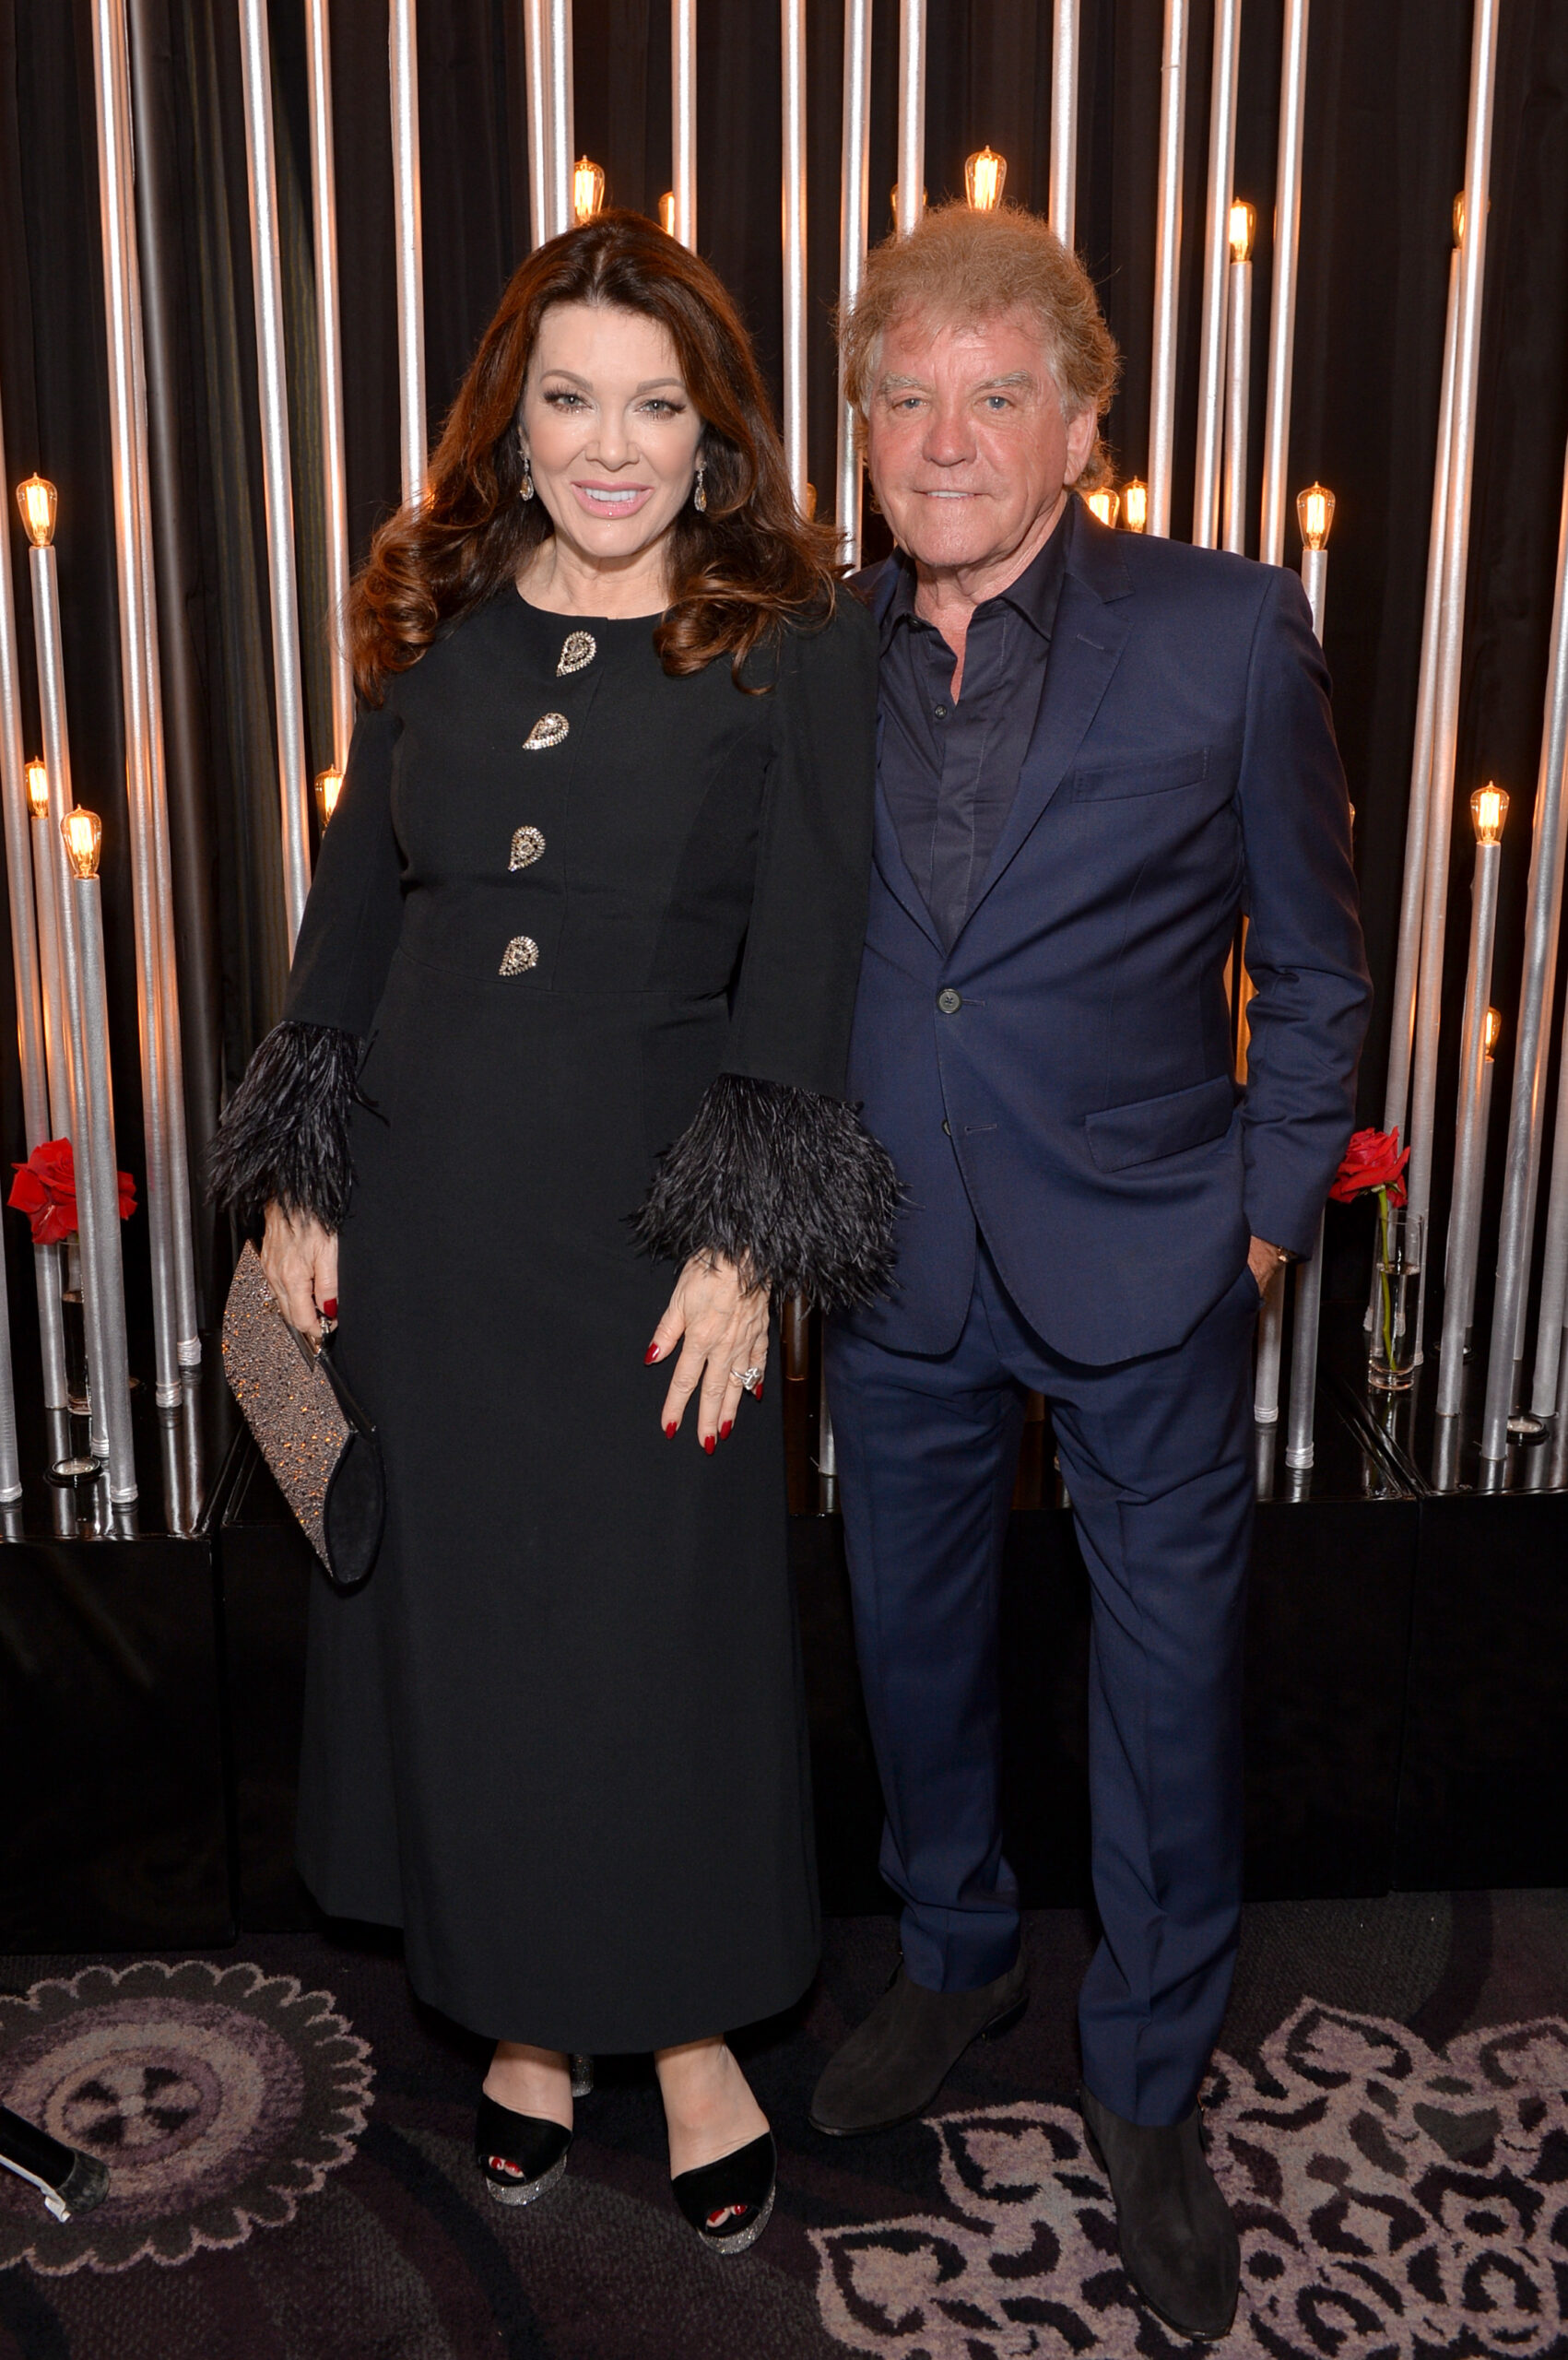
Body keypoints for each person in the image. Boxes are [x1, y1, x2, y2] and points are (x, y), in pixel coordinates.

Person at [211, 211, 895, 2255]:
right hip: (426, 1218)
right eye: (571, 400)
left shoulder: (787, 641)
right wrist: (298, 1171)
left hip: (645, 1229)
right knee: (475, 1631)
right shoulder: (433, 615)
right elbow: (351, 910)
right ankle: (520, 2021)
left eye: (654, 407)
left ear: (713, 432)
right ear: (512, 422)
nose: (611, 446)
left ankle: (685, 2033)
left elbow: (812, 950)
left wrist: (746, 1234)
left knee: (654, 1636)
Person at [809, 201, 1370, 2341]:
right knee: (910, 1658)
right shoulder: (804, 657)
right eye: (904, 396)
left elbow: (1314, 968)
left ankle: (1142, 2079)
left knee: (1160, 1693)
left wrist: (1256, 1216)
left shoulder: (1224, 632)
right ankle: (953, 1959)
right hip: (893, 1260)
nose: (945, 437)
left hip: (1148, 1259)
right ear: (861, 426)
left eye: (994, 393)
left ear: (1078, 423)